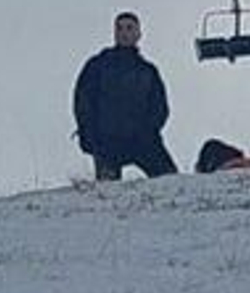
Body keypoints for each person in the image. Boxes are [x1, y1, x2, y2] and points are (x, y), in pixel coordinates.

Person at [73, 11, 175, 179]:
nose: (124, 33)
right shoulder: (98, 65)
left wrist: (149, 131)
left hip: (142, 139)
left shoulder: (147, 71)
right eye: (119, 28)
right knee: (107, 194)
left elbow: (160, 107)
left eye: (129, 28)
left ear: (138, 34)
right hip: (106, 140)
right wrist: (88, 134)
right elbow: (83, 102)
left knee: (170, 181)